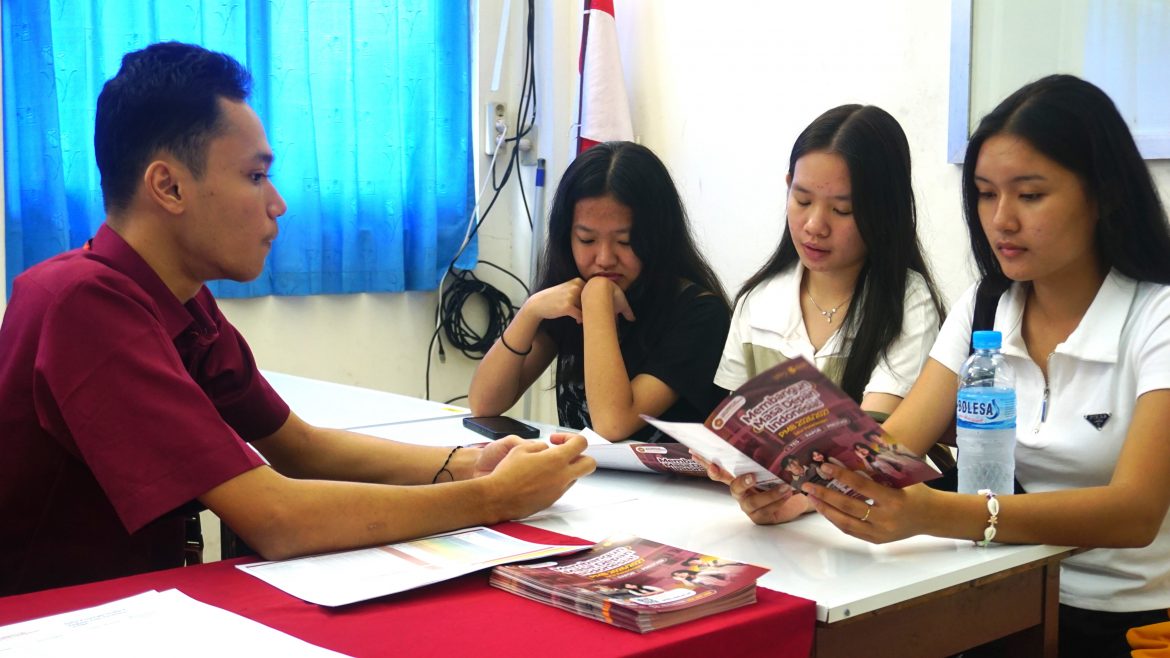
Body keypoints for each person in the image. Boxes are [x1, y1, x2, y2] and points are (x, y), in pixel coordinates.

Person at [0, 42, 595, 597]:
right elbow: (277, 517)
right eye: (255, 176)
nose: (277, 202)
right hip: (52, 622)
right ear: (169, 186)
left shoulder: (178, 299)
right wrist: (493, 499)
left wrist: (473, 464)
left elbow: (300, 448)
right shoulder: (82, 303)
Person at [718, 76, 1170, 658]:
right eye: (985, 193)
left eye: (1029, 195)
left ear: (1102, 194)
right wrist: (802, 493)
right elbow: (890, 447)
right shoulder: (988, 304)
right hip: (999, 596)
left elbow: (1134, 512)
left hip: (1128, 623)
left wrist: (940, 514)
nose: (1001, 219)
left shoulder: (1155, 315)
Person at [706, 104, 945, 520]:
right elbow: (740, 434)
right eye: (801, 199)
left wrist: (798, 502)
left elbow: (878, 447)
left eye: (842, 210)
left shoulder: (907, 301)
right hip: (783, 537)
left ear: (882, 212)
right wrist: (737, 477)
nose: (815, 225)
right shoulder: (758, 300)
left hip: (874, 533)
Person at [468, 142, 731, 442]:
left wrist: (596, 298)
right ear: (567, 237)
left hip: (670, 488)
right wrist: (531, 310)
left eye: (625, 241)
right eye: (587, 239)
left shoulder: (700, 314)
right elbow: (484, 404)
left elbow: (612, 425)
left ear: (659, 236)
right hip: (587, 481)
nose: (604, 258)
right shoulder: (570, 294)